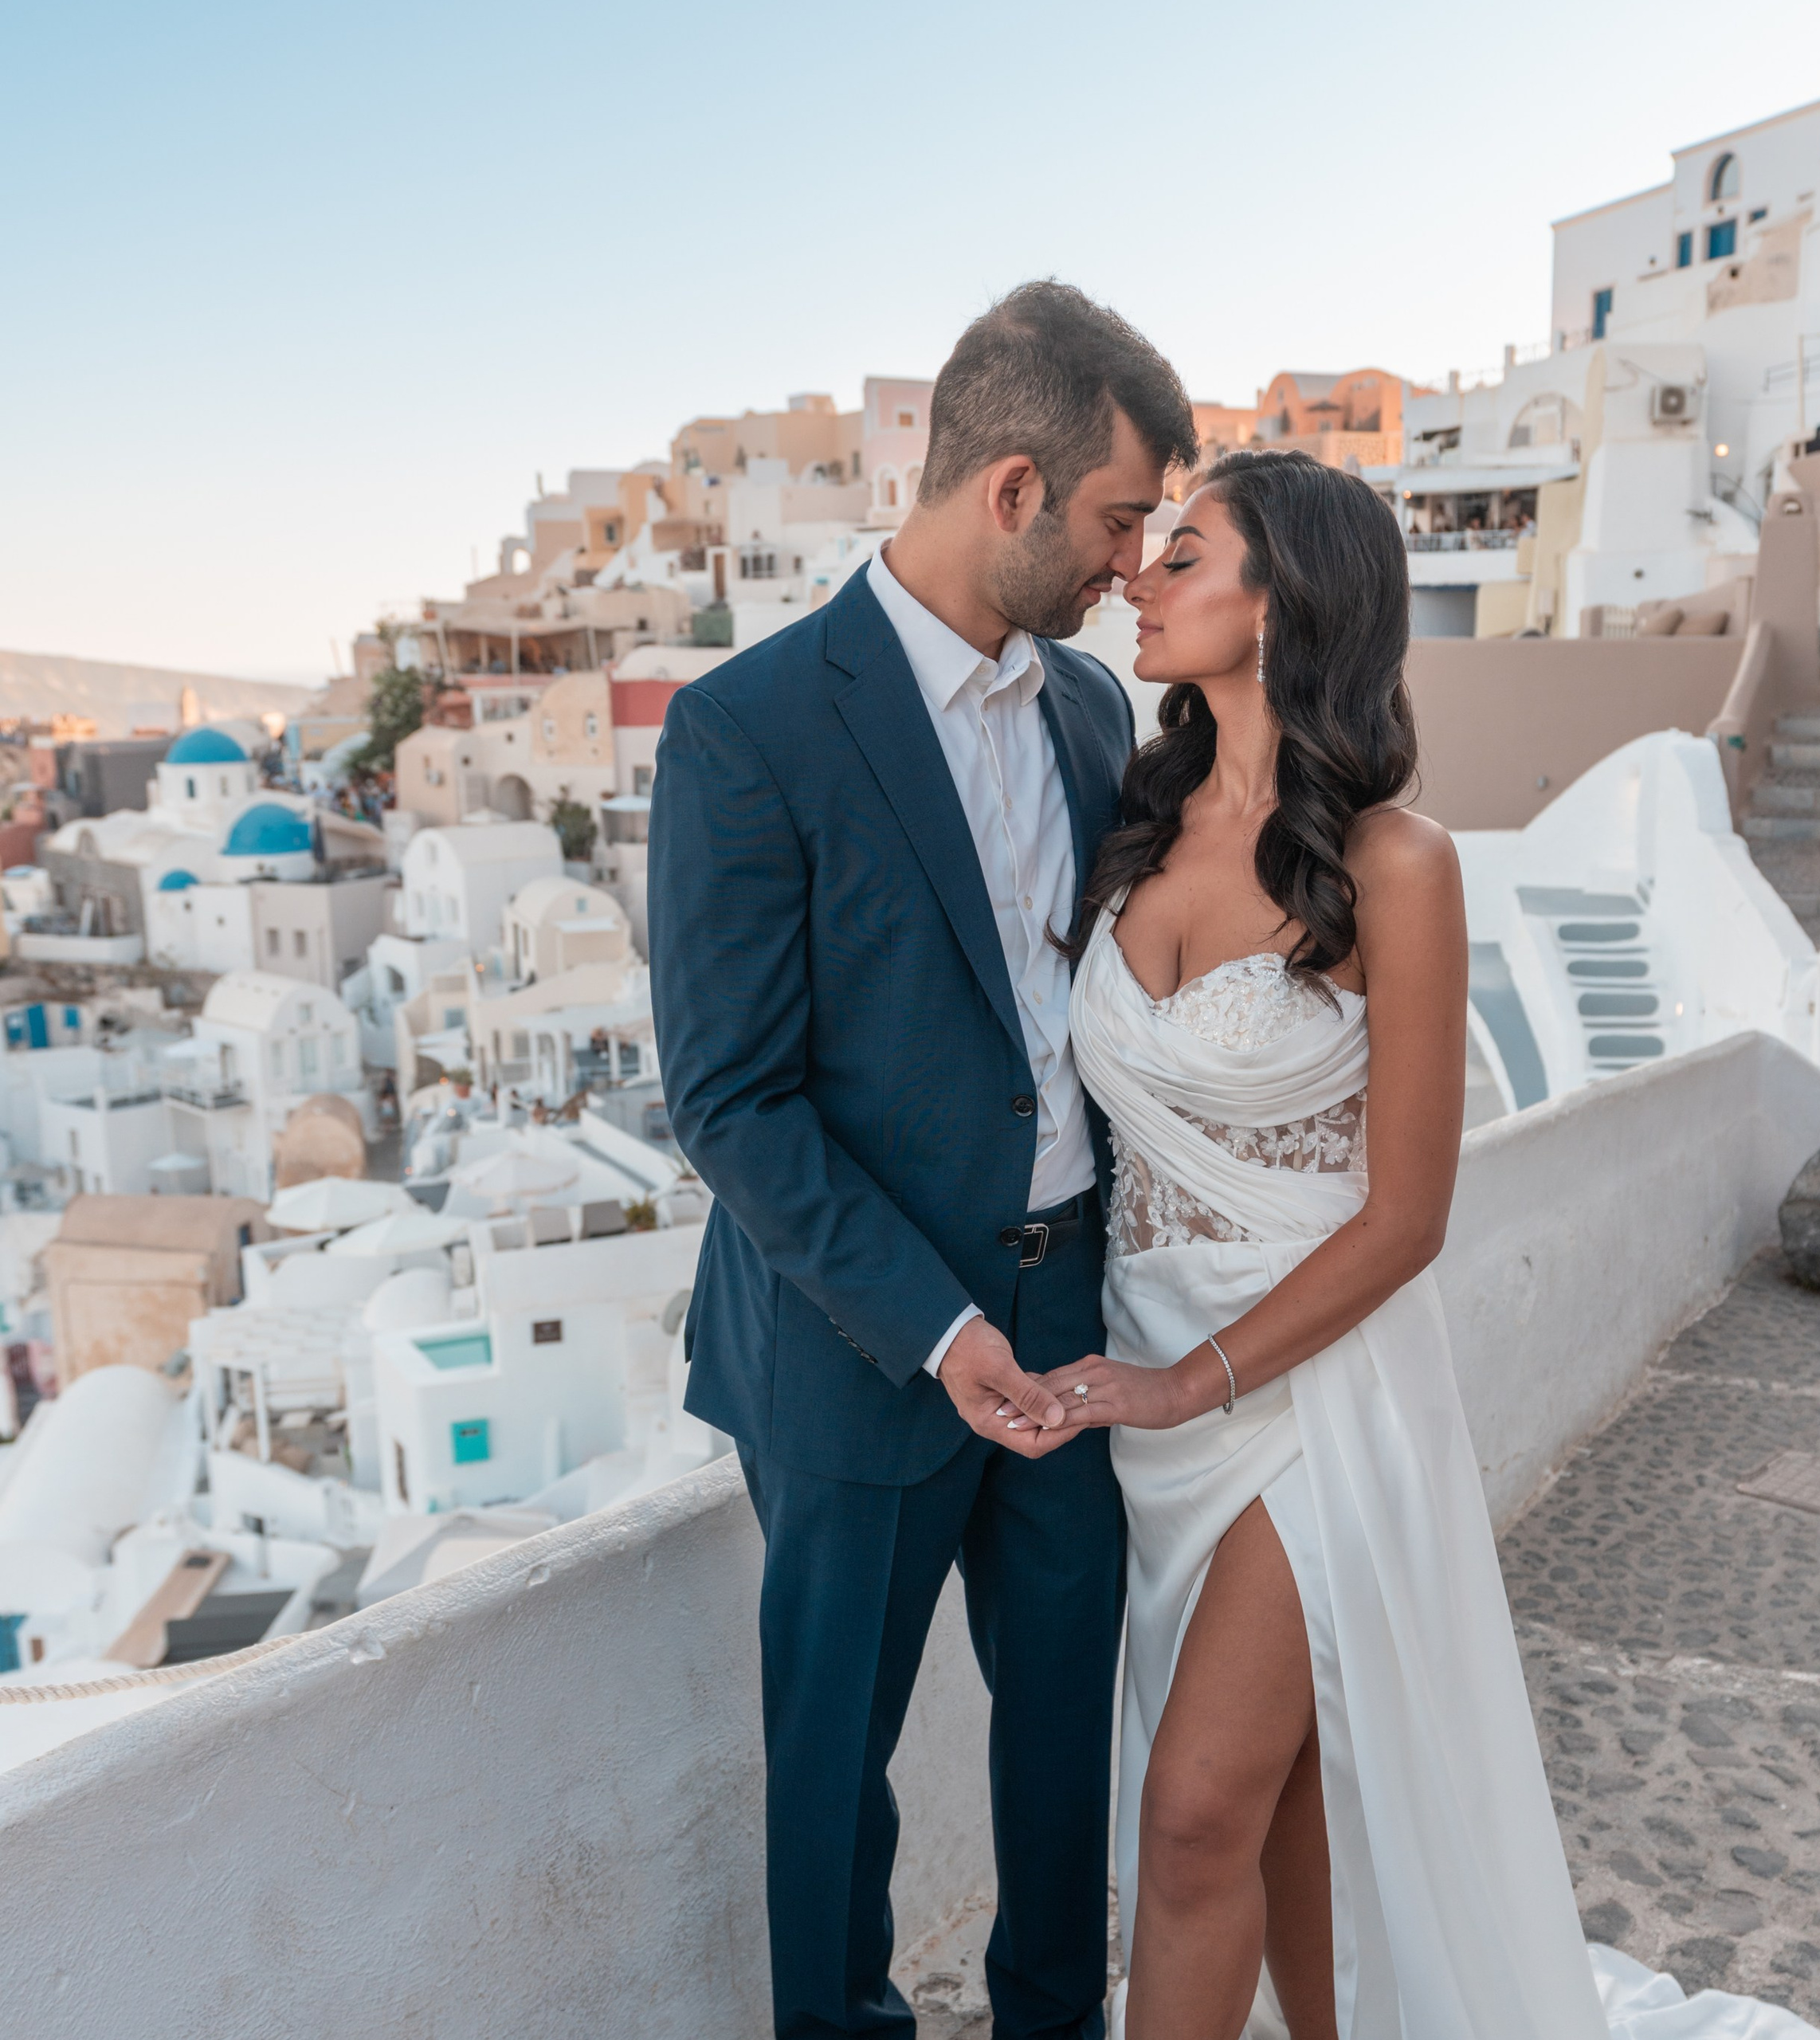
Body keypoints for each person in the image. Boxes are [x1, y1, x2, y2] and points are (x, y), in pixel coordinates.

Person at [1041, 449, 1820, 2040]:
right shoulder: (1125, 816)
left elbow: (1405, 1215)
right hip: (1136, 1367)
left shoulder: (1395, 862)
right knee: (1286, 1805)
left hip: (1302, 1391)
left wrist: (1189, 1383)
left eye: (1182, 554)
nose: (1138, 572)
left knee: (1192, 1808)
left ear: (1284, 604)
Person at [649, 281, 1199, 2040]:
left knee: (1058, 1760)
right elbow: (729, 1098)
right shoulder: (746, 728)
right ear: (1016, 490)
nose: (1134, 563)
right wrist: (940, 1328)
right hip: (855, 1350)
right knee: (835, 1785)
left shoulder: (1091, 715)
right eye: (1121, 519)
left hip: (1075, 1331)